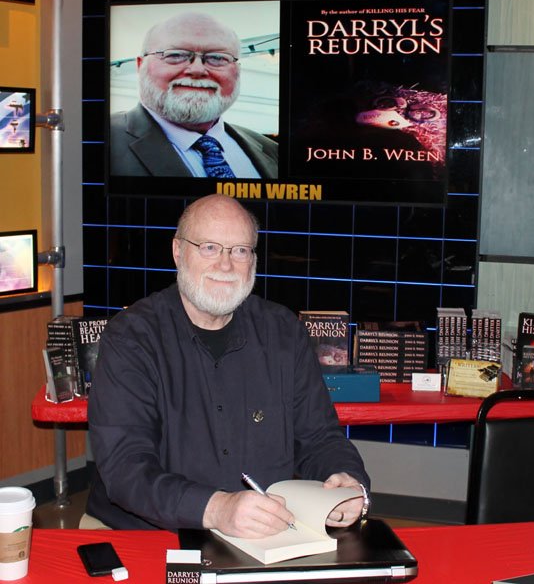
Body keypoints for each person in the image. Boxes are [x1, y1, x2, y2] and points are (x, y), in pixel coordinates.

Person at [86, 194, 369, 535]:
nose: (225, 265)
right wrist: (216, 509)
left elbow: (319, 436)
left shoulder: (283, 332)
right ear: (178, 252)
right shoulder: (131, 338)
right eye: (209, 247)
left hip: (265, 534)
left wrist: (345, 480)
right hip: (148, 535)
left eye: (240, 250)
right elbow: (125, 467)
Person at [110, 12, 278, 179]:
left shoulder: (271, 150)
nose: (197, 70)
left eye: (217, 58)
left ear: (238, 71)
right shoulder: (101, 140)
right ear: (140, 66)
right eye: (175, 55)